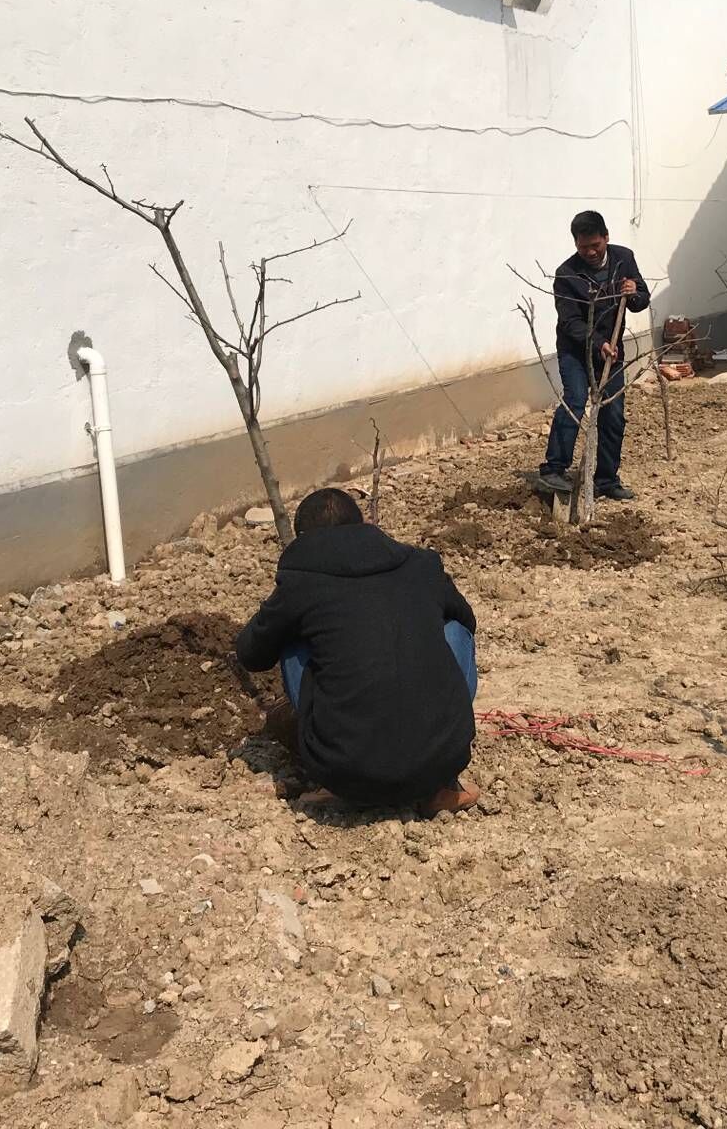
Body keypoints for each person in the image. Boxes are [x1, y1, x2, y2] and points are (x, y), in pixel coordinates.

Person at [235, 487, 480, 814]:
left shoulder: (301, 582)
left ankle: (332, 784)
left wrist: (286, 613)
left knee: (292, 639)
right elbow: (467, 620)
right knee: (454, 629)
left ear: (304, 539)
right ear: (363, 523)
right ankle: (442, 787)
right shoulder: (420, 564)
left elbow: (251, 654)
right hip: (441, 760)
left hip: (343, 770)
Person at [537, 210, 652, 501]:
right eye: (583, 246)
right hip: (576, 350)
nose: (590, 252)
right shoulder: (567, 274)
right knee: (575, 401)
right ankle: (554, 469)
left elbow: (641, 300)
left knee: (613, 413)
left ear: (606, 238)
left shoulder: (623, 259)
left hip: (612, 352)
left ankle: (606, 480)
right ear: (575, 243)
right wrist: (598, 343)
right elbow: (570, 322)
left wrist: (634, 291)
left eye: (595, 245)